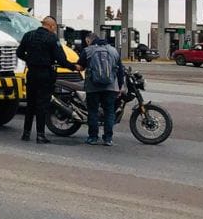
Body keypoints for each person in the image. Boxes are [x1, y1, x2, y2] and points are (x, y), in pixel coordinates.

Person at [16, 16, 72, 144]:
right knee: (42, 105)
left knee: (30, 104)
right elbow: (62, 59)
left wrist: (29, 60)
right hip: (46, 74)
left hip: (31, 74)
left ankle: (26, 133)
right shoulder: (52, 38)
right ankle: (40, 135)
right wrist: (74, 67)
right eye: (55, 28)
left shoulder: (28, 35)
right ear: (52, 26)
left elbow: (19, 53)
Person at [81, 32, 124, 146]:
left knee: (93, 111)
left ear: (89, 40)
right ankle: (108, 138)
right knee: (109, 112)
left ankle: (93, 137)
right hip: (110, 87)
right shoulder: (114, 51)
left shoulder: (88, 51)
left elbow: (80, 65)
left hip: (92, 87)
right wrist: (120, 86)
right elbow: (120, 70)